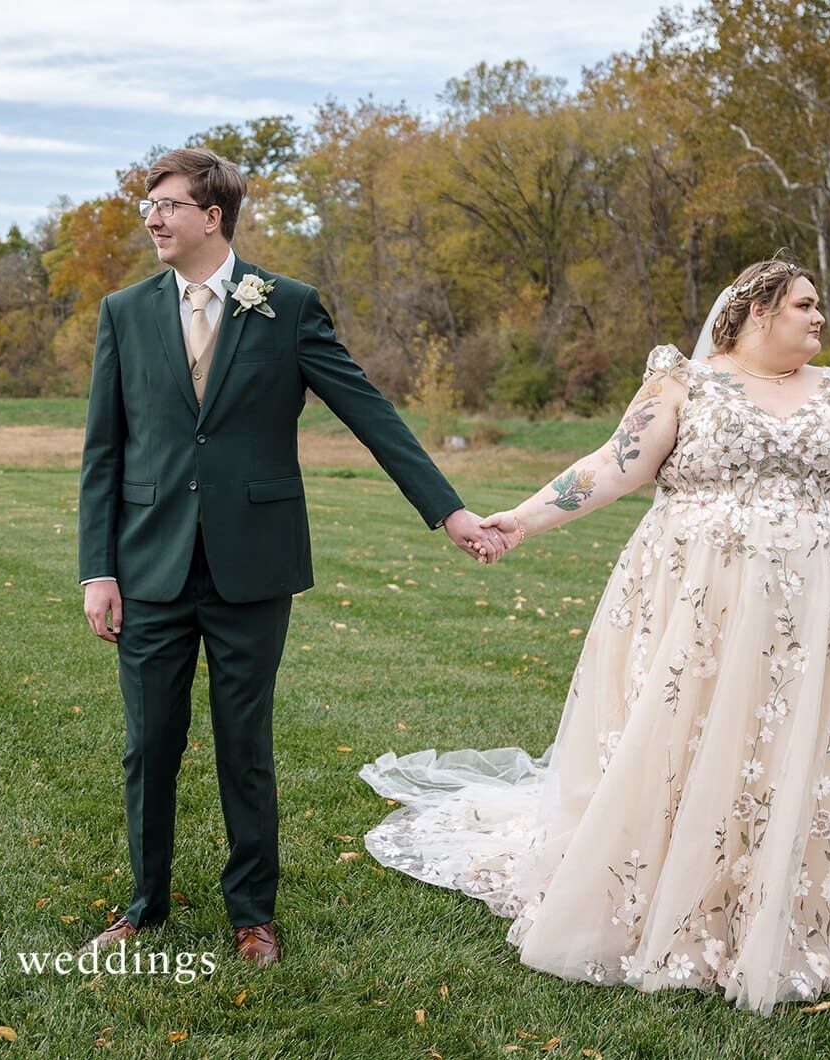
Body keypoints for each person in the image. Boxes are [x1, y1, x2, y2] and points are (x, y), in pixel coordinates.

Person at [360, 258, 830, 1013]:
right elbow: (610, 468)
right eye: (804, 305)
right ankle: (682, 895)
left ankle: (797, 899)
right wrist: (519, 520)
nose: (819, 318)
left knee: (800, 744)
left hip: (818, 608)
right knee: (692, 740)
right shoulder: (684, 384)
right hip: (699, 603)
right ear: (756, 311)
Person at [78, 147, 504, 968]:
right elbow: (104, 451)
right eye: (149, 205)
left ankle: (252, 917)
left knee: (245, 744)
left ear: (212, 217)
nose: (152, 218)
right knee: (148, 745)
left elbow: (369, 413)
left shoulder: (288, 305)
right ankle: (143, 906)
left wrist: (447, 510)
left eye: (168, 205)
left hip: (253, 565)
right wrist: (99, 569)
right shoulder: (123, 312)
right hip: (148, 565)